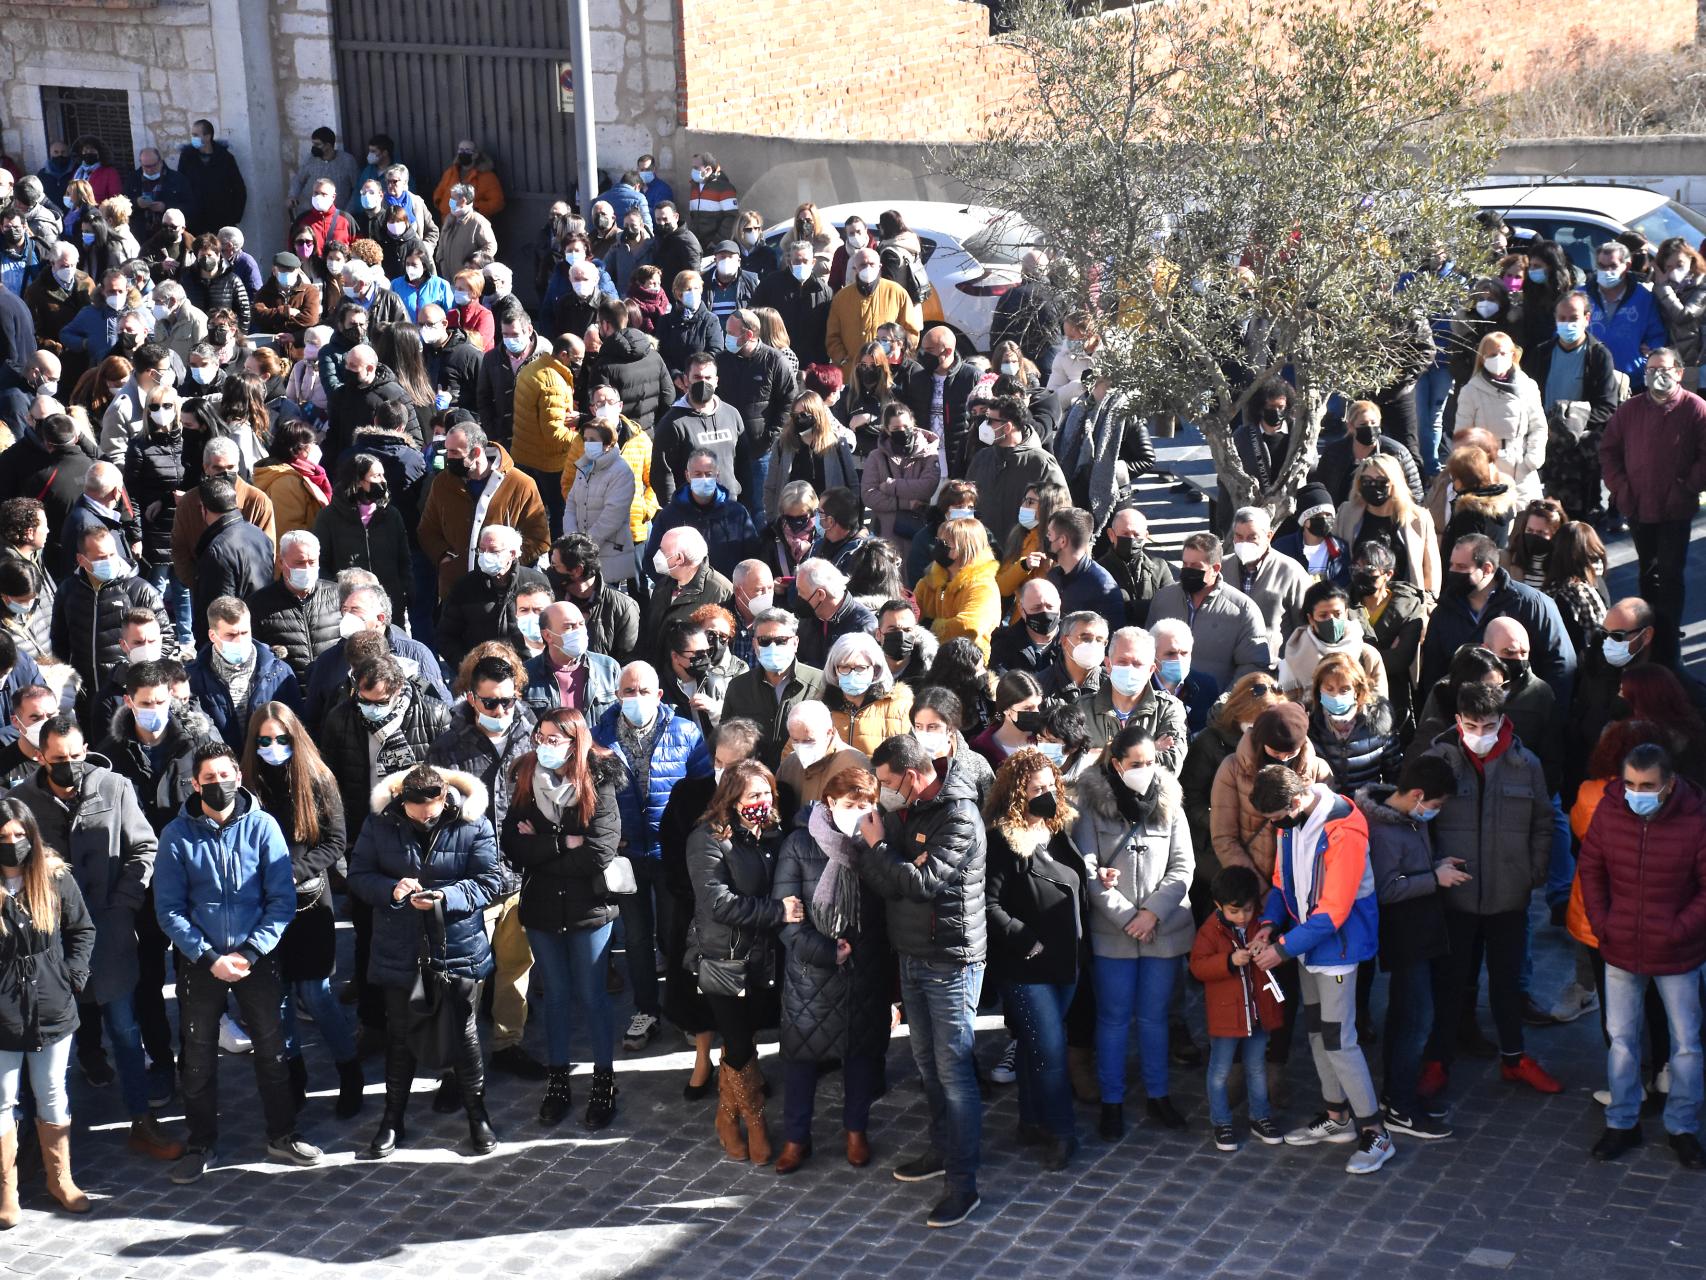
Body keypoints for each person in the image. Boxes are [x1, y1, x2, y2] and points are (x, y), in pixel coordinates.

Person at [152, 740, 317, 1183]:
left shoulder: (263, 827)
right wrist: (208, 958)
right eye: (209, 779)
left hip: (256, 959)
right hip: (200, 962)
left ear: (238, 777)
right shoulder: (176, 835)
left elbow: (280, 900)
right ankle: (200, 1141)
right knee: (198, 1056)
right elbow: (169, 909)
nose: (219, 784)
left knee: (273, 1049)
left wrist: (247, 953)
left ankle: (282, 1134)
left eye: (225, 776)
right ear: (195, 784)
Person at [854, 732, 986, 1230]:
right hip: (911, 954)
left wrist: (882, 848)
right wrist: (889, 857)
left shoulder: (957, 815)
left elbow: (921, 884)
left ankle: (963, 1182)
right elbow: (888, 881)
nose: (883, 794)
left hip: (951, 959)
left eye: (888, 783)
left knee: (954, 1072)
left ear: (911, 775)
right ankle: (941, 1149)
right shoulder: (905, 814)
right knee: (928, 1065)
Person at [348, 762, 506, 1159]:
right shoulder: (380, 823)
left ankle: (477, 1115)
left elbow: (490, 881)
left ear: (443, 800)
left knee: (464, 1034)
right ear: (402, 802)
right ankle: (392, 1119)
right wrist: (394, 890)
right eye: (416, 813)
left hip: (457, 946)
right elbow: (359, 875)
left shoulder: (472, 823)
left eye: (432, 812)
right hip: (400, 947)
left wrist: (444, 898)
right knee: (399, 1035)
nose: (425, 819)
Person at [1244, 765, 1393, 1174]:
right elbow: (1280, 883)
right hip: (1309, 946)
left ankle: (1375, 1131)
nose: (1273, 826)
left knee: (1339, 1040)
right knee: (1316, 1033)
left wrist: (1282, 949)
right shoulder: (1290, 821)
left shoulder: (1343, 828)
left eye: (1275, 818)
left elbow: (1334, 912)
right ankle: (1337, 1116)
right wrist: (1271, 924)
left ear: (1294, 802)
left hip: (1336, 949)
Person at [1419, 681, 1562, 1102]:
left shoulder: (1526, 764)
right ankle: (1438, 1060)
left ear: (1503, 721)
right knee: (1450, 983)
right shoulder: (1438, 759)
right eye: (1471, 724)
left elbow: (1542, 820)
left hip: (1508, 896)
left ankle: (1514, 1058)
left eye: (1489, 725)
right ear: (1458, 720)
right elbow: (1420, 821)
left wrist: (1533, 872)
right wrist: (1432, 869)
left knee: (1507, 983)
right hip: (1456, 897)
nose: (1480, 733)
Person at [1576, 741, 1706, 1168]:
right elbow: (1591, 868)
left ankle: (1682, 1127)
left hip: (1677, 953)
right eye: (1630, 783)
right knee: (1622, 1042)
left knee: (1686, 1044)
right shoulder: (1611, 811)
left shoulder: (1696, 820)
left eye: (1646, 785)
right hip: (1621, 948)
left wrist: (1677, 930)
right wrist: (1604, 923)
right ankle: (1622, 1122)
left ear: (1668, 785)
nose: (1636, 792)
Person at [238, 702, 362, 1119]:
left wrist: (291, 873)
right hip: (264, 907)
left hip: (308, 900)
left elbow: (334, 841)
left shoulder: (318, 778)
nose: (274, 747)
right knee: (279, 999)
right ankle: (294, 1077)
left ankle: (349, 1070)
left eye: (282, 739)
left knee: (315, 992)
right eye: (265, 741)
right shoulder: (249, 785)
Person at [503, 707, 623, 1130]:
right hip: (541, 908)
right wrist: (562, 844)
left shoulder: (601, 780)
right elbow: (513, 847)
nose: (545, 746)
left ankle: (604, 1080)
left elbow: (598, 853)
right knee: (554, 996)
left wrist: (544, 846)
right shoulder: (525, 777)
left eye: (555, 739)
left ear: (576, 741)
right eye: (541, 737)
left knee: (592, 996)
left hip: (589, 908)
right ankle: (558, 1079)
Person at [1074, 725, 1194, 1140]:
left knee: (1155, 1018)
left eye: (1150, 763)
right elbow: (1086, 872)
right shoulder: (1090, 806)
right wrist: (1128, 917)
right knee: (1112, 1019)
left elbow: (1183, 868)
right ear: (1116, 764)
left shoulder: (1170, 802)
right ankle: (1112, 1101)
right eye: (1135, 764)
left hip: (1163, 930)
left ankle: (1159, 1095)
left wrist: (1153, 914)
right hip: (1114, 933)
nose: (1145, 770)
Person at [594, 661, 711, 1050]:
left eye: (645, 691)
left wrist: (689, 841)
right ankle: (645, 1009)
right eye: (629, 691)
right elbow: (590, 795)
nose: (637, 698)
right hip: (626, 856)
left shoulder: (685, 731)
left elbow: (701, 792)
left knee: (676, 933)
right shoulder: (600, 736)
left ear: (660, 695)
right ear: (617, 695)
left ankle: (683, 1008)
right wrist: (609, 839)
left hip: (671, 853)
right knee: (638, 938)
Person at [983, 747, 1088, 1170]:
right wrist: (1026, 940)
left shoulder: (1058, 831)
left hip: (1067, 960)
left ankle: (1031, 1120)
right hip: (1029, 965)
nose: (1046, 794)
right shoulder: (1002, 842)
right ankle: (1061, 1131)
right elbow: (989, 905)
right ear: (1016, 793)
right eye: (1036, 789)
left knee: (1033, 1046)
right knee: (1050, 1049)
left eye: (1050, 786)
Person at [0, 797, 97, 1224]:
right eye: (3, 837)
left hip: (51, 1004)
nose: (13, 843)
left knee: (52, 1091)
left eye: (19, 835)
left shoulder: (54, 878)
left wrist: (72, 978)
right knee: (2, 1100)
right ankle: (8, 1189)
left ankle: (61, 1178)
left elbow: (82, 930)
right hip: (2, 1013)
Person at [684, 756, 783, 1164]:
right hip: (724, 956)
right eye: (752, 795)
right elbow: (718, 902)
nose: (761, 801)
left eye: (766, 793)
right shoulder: (707, 838)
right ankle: (754, 1122)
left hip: (765, 957)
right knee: (738, 1040)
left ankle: (726, 1117)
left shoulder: (773, 833)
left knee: (746, 1041)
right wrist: (777, 912)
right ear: (732, 798)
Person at [1357, 753, 1461, 1140]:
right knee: (1414, 1020)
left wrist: (1436, 864)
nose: (1434, 812)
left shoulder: (1407, 818)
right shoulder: (1385, 830)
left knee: (1409, 1016)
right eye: (1434, 805)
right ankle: (1400, 1104)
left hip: (1420, 931)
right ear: (1417, 794)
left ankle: (1396, 1097)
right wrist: (1434, 877)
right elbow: (1386, 889)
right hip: (1405, 936)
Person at [1599, 345, 1706, 653]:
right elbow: (1609, 451)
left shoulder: (1695, 408)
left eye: (1665, 370)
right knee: (1647, 570)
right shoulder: (1629, 410)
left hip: (1676, 507)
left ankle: (1669, 635)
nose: (1658, 376)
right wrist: (1621, 489)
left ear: (1679, 373)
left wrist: (1687, 486)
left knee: (1671, 573)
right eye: (1652, 370)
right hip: (1638, 505)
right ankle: (1647, 632)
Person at [1189, 865, 1284, 1152]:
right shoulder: (1210, 930)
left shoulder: (1260, 926)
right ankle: (1221, 1121)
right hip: (1226, 1015)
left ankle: (1260, 1115)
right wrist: (1229, 961)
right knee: (1220, 1070)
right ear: (1219, 906)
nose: (1242, 917)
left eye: (1248, 910)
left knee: (1257, 1067)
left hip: (1256, 1011)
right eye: (1234, 911)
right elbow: (1197, 966)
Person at [1419, 533, 1577, 703]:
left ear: (1487, 569)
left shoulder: (1531, 604)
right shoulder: (1444, 612)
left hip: (1524, 714)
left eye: (1462, 567)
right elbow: (1432, 674)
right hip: (1466, 721)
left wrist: (1547, 715)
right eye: (1452, 565)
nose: (1453, 571)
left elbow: (1561, 664)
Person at [418, 420, 550, 601]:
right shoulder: (442, 483)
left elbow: (539, 539)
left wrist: (505, 563)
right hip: (455, 591)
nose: (448, 457)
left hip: (502, 594)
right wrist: (445, 558)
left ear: (477, 452)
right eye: (447, 450)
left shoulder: (521, 484)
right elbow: (427, 530)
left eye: (454, 452)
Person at [1146, 533, 1271, 687]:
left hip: (1216, 704)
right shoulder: (1164, 599)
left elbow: (1252, 666)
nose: (1187, 570)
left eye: (1196, 566)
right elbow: (1147, 649)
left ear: (1216, 568)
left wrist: (1225, 703)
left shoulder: (1242, 610)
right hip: (1164, 702)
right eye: (1185, 564)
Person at [186, 595, 301, 750]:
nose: (239, 641)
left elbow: (298, 726)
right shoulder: (193, 679)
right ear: (213, 636)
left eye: (245, 633)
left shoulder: (279, 671)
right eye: (231, 635)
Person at [1449, 331, 1548, 502]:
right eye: (1492, 354)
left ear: (1512, 355)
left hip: (1521, 467)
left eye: (1503, 353)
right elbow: (1462, 437)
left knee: (1524, 519)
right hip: (1486, 470)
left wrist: (1532, 458)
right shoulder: (1470, 391)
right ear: (1483, 358)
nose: (1498, 358)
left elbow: (1538, 426)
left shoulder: (1528, 386)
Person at [642, 447, 758, 581]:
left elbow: (753, 557)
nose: (703, 479)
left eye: (708, 474)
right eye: (697, 474)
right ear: (687, 476)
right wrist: (673, 588)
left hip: (729, 593)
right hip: (685, 595)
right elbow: (652, 561)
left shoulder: (737, 514)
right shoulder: (669, 516)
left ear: (717, 475)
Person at [1083, 626, 1187, 767]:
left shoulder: (1168, 708)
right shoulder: (1083, 708)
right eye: (1123, 662)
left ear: (1151, 670)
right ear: (1108, 664)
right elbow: (1074, 763)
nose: (1129, 669)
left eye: (1137, 664)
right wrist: (1150, 749)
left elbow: (1171, 764)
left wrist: (1102, 755)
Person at [1277, 580, 1388, 700]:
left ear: (1346, 613)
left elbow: (1380, 705)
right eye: (1323, 615)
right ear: (1311, 619)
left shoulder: (1367, 656)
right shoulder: (1294, 658)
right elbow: (1287, 708)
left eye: (1337, 614)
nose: (1332, 621)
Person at [1306, 652, 1401, 793]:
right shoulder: (1309, 725)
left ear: (1357, 691)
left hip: (1367, 806)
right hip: (1327, 808)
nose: (1336, 696)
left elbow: (1394, 774)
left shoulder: (1378, 723)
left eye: (1344, 690)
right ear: (1319, 690)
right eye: (1329, 689)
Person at [824, 248, 920, 383]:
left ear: (880, 267)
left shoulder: (897, 293)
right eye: (863, 265)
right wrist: (843, 359)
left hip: (886, 373)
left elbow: (911, 332)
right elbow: (832, 336)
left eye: (872, 264)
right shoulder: (841, 297)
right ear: (855, 268)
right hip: (852, 374)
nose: (867, 268)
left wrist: (894, 354)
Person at [1225, 506, 1309, 658]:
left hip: (1272, 664)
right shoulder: (1221, 568)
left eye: (1252, 537)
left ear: (1269, 536)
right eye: (1239, 536)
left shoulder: (1291, 572)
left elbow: (1304, 626)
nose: (1244, 543)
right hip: (1226, 660)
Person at [914, 515, 1001, 659]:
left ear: (965, 549)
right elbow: (912, 609)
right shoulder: (931, 579)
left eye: (945, 543)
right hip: (932, 657)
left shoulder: (983, 586)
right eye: (938, 541)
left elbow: (969, 626)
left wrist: (931, 627)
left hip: (968, 660)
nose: (938, 546)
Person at [1099, 506, 1175, 628]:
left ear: (1145, 537)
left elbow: (1171, 604)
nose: (1131, 539)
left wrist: (1130, 608)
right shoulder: (1100, 570)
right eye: (1125, 533)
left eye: (1136, 534)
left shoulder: (1159, 567)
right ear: (1111, 535)